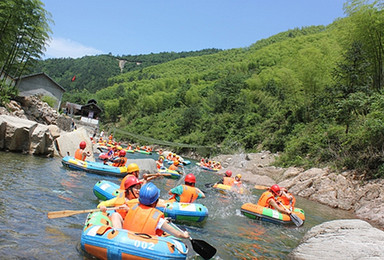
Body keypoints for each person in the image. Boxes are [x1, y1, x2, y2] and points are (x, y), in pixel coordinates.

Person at [123, 182, 189, 238]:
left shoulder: (132, 208)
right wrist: (184, 235)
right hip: (145, 246)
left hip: (126, 239)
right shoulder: (157, 218)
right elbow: (177, 234)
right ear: (156, 201)